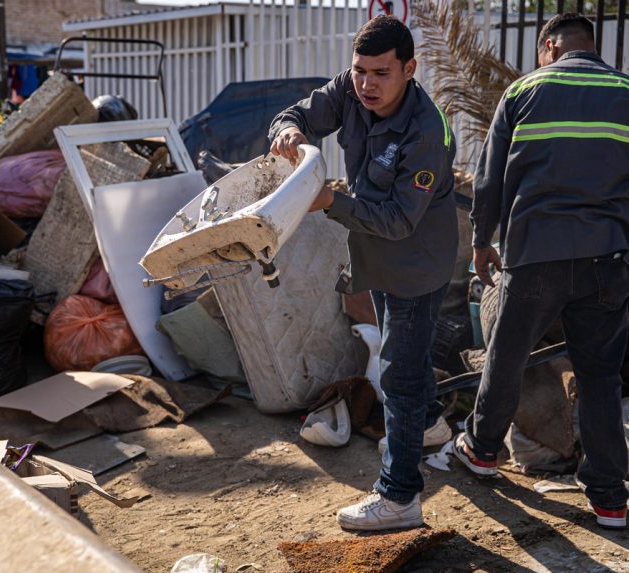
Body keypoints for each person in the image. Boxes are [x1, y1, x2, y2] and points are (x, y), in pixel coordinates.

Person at [269, 15, 458, 531]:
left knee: (397, 371)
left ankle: (399, 497)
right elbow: (298, 113)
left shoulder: (426, 133)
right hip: (375, 253)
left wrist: (328, 199)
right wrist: (288, 130)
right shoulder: (350, 91)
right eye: (359, 72)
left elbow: (398, 220)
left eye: (381, 73)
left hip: (417, 262)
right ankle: (431, 424)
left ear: (409, 69)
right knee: (407, 358)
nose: (367, 85)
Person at [453, 13, 629, 529]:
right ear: (591, 47)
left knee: (506, 357)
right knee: (599, 376)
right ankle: (609, 500)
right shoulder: (625, 90)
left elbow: (488, 179)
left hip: (534, 257)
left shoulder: (524, 91)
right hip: (608, 260)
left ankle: (483, 451)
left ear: (548, 45)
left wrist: (481, 242)